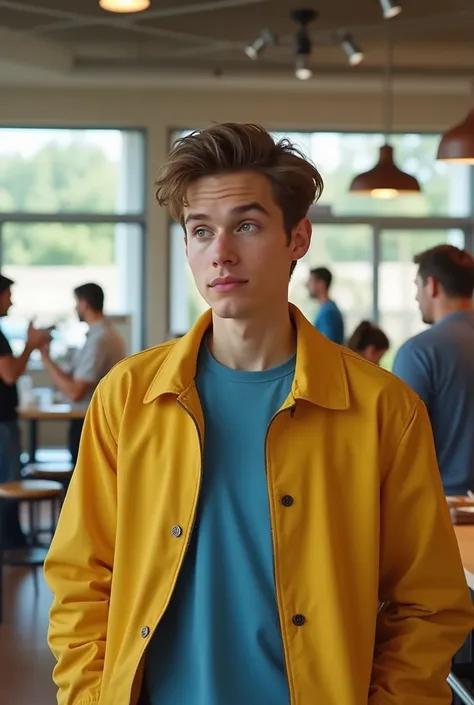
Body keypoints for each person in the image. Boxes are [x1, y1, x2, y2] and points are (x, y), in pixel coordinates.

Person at [45, 124, 473, 705]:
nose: (220, 252)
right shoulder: (128, 398)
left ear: (298, 237)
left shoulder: (382, 410)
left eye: (246, 225)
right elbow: (79, 578)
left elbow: (428, 602)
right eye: (201, 231)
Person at [393, 244, 474, 495]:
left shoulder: (418, 353)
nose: (417, 297)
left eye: (417, 286)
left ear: (432, 285)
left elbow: (400, 448)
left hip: (443, 512)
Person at [40, 283, 126, 465]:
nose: (74, 308)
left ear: (84, 304)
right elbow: (72, 377)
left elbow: (75, 391)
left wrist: (44, 357)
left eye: (76, 303)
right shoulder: (101, 335)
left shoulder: (100, 340)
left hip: (92, 424)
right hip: (93, 421)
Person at [0, 273, 51, 546]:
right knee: (9, 481)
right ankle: (10, 540)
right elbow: (9, 374)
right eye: (8, 294)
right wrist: (31, 346)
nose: (12, 301)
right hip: (3, 423)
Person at [307, 266, 344, 343]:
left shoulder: (328, 313)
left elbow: (326, 344)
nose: (307, 285)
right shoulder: (326, 309)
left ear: (321, 284)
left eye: (311, 281)